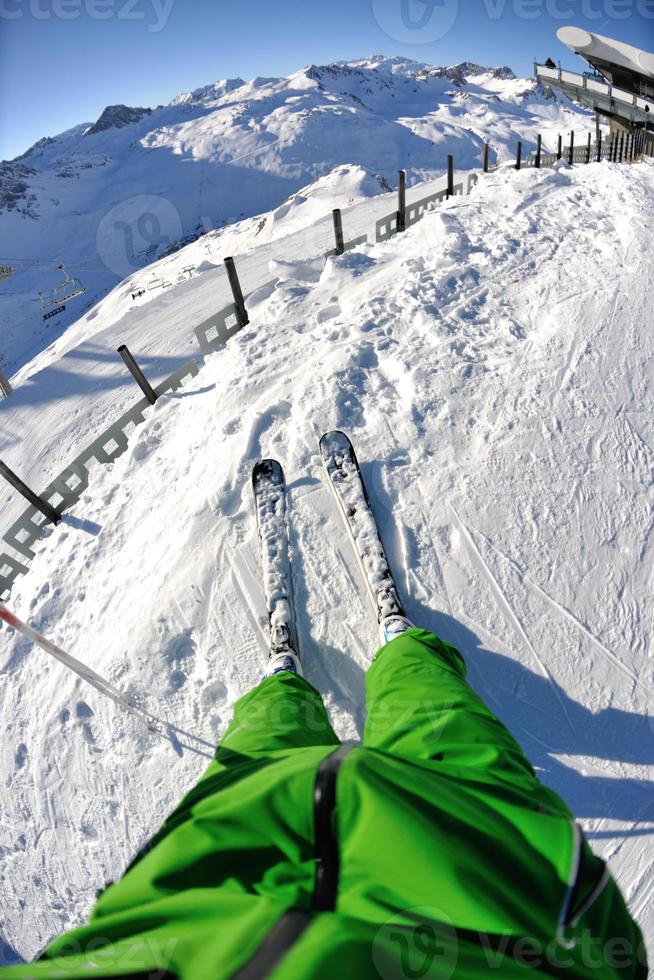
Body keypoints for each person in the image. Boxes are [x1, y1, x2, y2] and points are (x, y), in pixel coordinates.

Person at [5, 616, 647, 979]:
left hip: (210, 872)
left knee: (262, 744)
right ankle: (401, 647)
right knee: (438, 714)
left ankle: (287, 682)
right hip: (483, 864)